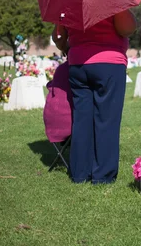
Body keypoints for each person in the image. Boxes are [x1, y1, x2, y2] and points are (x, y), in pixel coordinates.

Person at [53, 10, 136, 184]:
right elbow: (127, 28)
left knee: (82, 120)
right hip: (109, 63)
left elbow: (59, 37)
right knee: (107, 120)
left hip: (78, 64)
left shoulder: (69, 0)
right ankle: (103, 176)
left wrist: (68, 48)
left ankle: (79, 173)